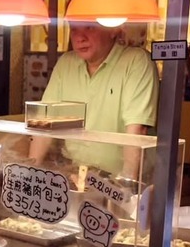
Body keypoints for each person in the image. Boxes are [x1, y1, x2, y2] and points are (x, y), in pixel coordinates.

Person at [28, 23, 160, 179]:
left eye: (89, 28)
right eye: (74, 28)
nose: (79, 38)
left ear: (113, 29)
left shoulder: (137, 61)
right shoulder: (66, 63)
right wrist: (30, 172)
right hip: (75, 173)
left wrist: (126, 186)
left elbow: (136, 131)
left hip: (116, 179)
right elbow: (44, 126)